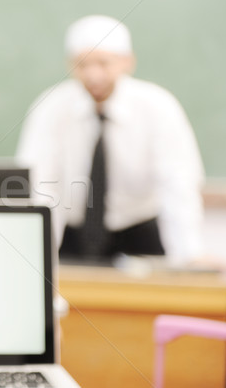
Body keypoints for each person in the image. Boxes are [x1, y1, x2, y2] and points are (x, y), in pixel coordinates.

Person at [16, 15, 205, 267]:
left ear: (127, 62)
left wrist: (189, 255)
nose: (93, 75)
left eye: (104, 63)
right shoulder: (50, 108)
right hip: (74, 237)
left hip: (140, 233)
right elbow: (40, 188)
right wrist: (36, 254)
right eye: (82, 65)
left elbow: (178, 184)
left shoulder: (158, 107)